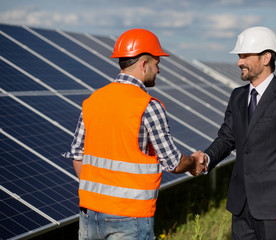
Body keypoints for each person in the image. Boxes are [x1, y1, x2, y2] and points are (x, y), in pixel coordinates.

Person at [63, 29, 206, 240]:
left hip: (89, 214)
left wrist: (100, 194)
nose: (158, 70)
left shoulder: (93, 100)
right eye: (157, 64)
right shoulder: (148, 106)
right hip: (129, 217)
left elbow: (77, 154)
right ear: (144, 64)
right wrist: (194, 161)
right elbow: (173, 163)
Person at [200, 26, 276, 239]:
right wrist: (206, 158)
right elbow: (227, 138)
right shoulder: (237, 96)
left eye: (244, 56)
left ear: (266, 58)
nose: (238, 62)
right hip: (241, 204)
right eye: (239, 56)